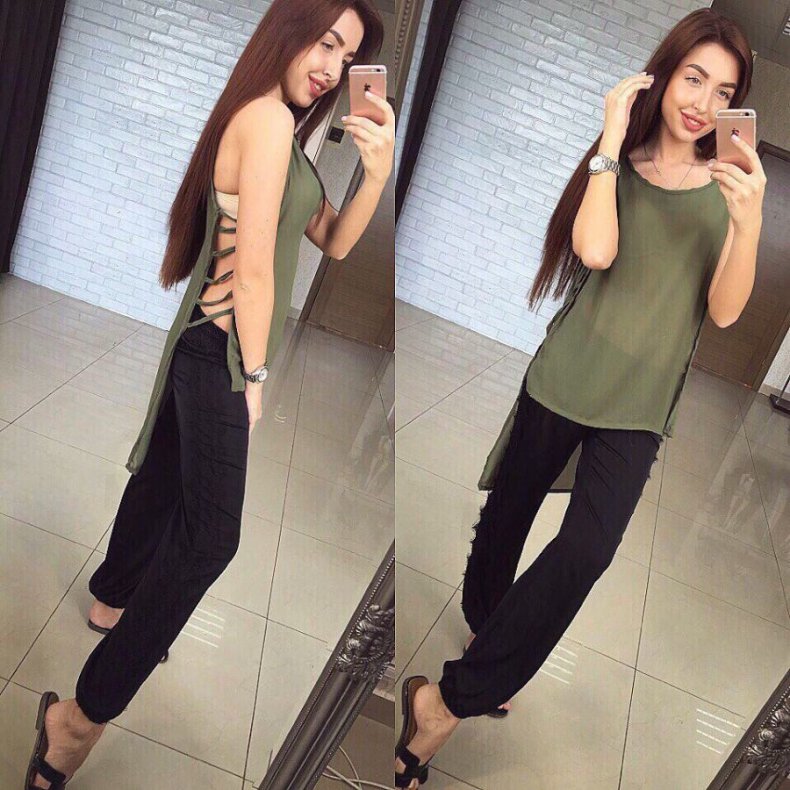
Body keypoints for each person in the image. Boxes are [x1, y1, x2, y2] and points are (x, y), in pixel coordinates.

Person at [25, 0, 393, 786]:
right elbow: (253, 271)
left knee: (164, 479)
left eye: (346, 55)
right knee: (211, 539)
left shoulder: (286, 136)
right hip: (221, 350)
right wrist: (253, 380)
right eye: (325, 42)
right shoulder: (265, 121)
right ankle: (77, 721)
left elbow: (333, 240)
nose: (331, 67)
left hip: (209, 340)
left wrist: (377, 171)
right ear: (290, 31)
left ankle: (111, 597)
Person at [395, 8, 764, 788]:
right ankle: (489, 638)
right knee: (507, 518)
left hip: (639, 408)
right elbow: (595, 251)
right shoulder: (619, 164)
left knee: (587, 551)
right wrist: (609, 139)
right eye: (693, 78)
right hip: (566, 375)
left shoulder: (728, 191)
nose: (703, 102)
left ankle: (447, 699)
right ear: (663, 75)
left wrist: (750, 218)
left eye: (724, 92)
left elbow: (726, 311)